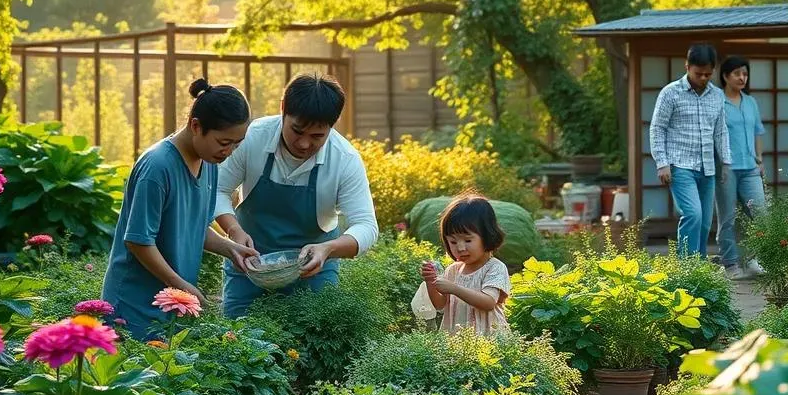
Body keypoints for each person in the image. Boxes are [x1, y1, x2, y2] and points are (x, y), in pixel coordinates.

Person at [102, 78, 257, 339]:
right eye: (223, 142)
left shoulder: (209, 163)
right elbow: (139, 241)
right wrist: (183, 286)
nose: (229, 151)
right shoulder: (157, 167)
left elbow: (195, 225)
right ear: (196, 126)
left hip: (171, 305)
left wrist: (231, 249)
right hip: (133, 306)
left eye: (236, 144)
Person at [215, 72, 379, 317]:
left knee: (314, 343)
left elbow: (366, 226)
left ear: (333, 125)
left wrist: (329, 249)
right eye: (297, 131)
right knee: (238, 341)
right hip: (249, 264)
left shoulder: (344, 159)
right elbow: (217, 189)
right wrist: (234, 230)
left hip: (313, 271)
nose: (303, 144)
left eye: (317, 136)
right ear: (283, 108)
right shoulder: (252, 138)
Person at [649, 43, 731, 259]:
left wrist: (726, 163)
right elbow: (657, 128)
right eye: (698, 73)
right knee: (692, 214)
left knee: (705, 222)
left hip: (707, 167)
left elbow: (721, 131)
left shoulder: (717, 96)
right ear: (687, 67)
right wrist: (662, 163)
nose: (703, 78)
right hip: (680, 165)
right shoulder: (670, 93)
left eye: (708, 74)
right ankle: (685, 267)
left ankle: (698, 266)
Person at [413, 195, 511, 335]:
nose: (460, 248)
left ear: (488, 235)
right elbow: (441, 305)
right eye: (453, 242)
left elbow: (489, 302)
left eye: (467, 240)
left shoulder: (494, 267)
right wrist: (430, 282)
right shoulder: (453, 270)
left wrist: (454, 288)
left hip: (488, 341)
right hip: (458, 339)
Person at [714, 56, 767, 279]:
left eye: (744, 73)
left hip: (750, 167)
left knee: (760, 214)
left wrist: (760, 159)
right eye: (737, 73)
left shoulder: (750, 102)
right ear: (725, 76)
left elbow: (758, 131)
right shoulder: (716, 101)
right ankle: (730, 265)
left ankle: (754, 260)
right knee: (727, 217)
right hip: (726, 168)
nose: (742, 77)